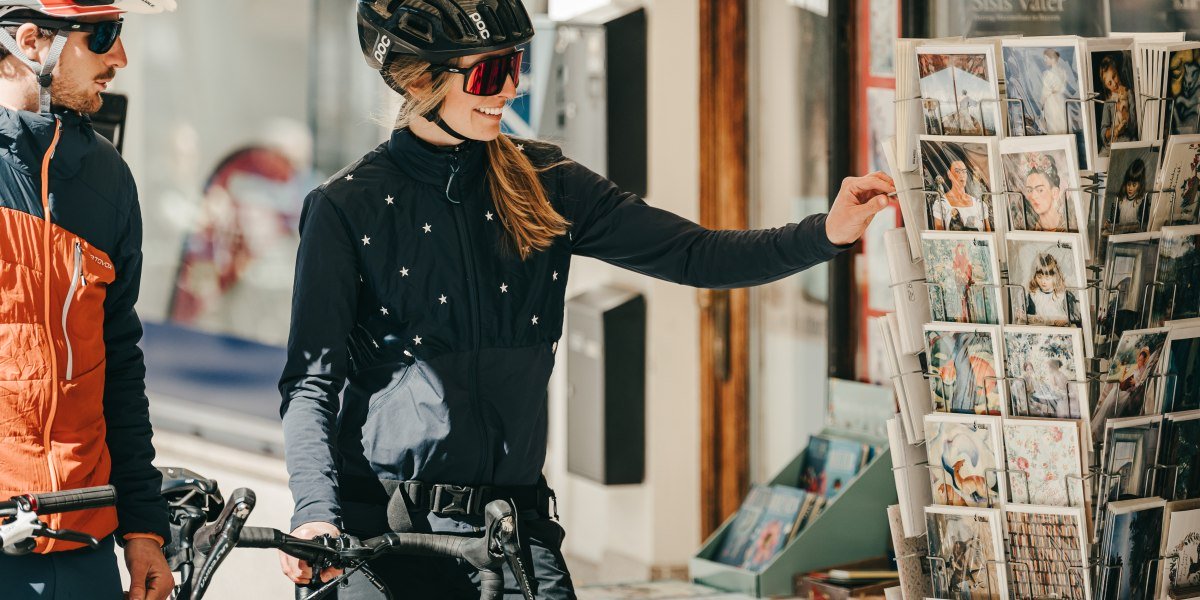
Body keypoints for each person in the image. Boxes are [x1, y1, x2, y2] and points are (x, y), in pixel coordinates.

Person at [277, 1, 895, 597]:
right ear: (423, 79)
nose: (511, 88)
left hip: (511, 529)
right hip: (386, 537)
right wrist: (314, 512)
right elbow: (310, 383)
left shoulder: (546, 184)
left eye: (517, 64)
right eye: (491, 72)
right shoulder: (346, 207)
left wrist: (828, 232)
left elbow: (694, 253)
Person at [0, 2, 177, 600]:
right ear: (30, 41)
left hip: (84, 546)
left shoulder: (108, 178)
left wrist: (145, 528)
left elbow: (120, 363)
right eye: (102, 37)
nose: (119, 58)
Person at [930, 145, 992, 232]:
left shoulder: (979, 204)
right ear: (949, 174)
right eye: (957, 171)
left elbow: (988, 231)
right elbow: (939, 234)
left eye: (964, 171)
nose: (961, 175)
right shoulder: (941, 204)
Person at [1023, 252, 1081, 327]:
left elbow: (1076, 318)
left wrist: (1066, 320)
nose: (1043, 282)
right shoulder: (1033, 295)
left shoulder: (1063, 295)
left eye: (1047, 278)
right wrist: (1023, 315)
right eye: (1039, 277)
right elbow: (1030, 316)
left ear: (1055, 276)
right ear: (1034, 276)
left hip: (1062, 331)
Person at [1098, 54, 1137, 151]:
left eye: (1114, 76)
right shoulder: (1108, 102)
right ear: (1106, 86)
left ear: (1118, 72)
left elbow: (1134, 127)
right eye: (1109, 83)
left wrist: (1125, 114)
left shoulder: (1129, 94)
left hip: (1128, 142)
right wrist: (1113, 131)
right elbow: (1103, 132)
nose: (1114, 84)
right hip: (1111, 146)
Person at [1018, 157, 1069, 232]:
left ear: (1055, 193)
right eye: (1029, 190)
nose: (1033, 196)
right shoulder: (1027, 229)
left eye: (1040, 190)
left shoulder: (1070, 225)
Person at [1112, 157, 1148, 234]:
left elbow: (1144, 223)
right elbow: (1114, 220)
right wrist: (1109, 223)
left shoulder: (1142, 200)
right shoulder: (1120, 199)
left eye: (1134, 185)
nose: (1130, 188)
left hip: (1134, 235)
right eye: (1128, 184)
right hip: (1120, 234)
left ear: (1140, 185)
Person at [1040, 48, 1069, 134]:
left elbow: (1045, 92)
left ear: (1052, 59)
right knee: (1061, 121)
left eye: (1046, 58)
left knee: (1054, 123)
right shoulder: (1063, 72)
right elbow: (1063, 87)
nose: (1045, 60)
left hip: (1051, 101)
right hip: (1060, 99)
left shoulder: (1048, 74)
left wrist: (1041, 102)